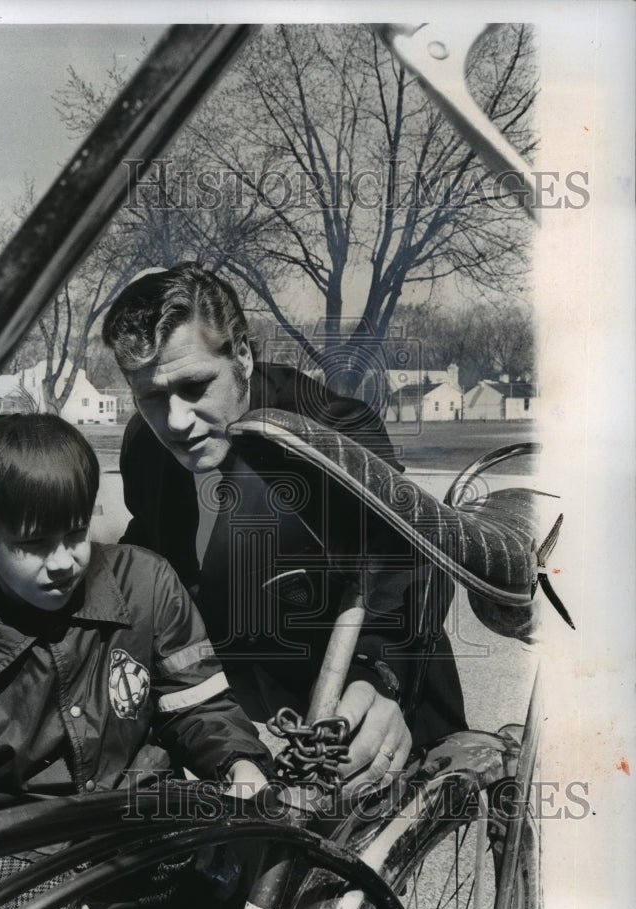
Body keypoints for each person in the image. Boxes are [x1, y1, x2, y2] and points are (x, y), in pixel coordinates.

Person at [0, 412, 273, 909]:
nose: (63, 561)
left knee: (254, 857)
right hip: (23, 850)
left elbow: (200, 703)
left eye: (74, 532)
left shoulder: (148, 585)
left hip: (145, 816)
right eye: (34, 544)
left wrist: (237, 759)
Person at [102, 263, 467, 786]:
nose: (176, 421)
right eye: (152, 397)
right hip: (250, 731)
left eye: (195, 386)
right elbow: (157, 557)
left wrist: (381, 679)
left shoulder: (335, 428)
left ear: (242, 355)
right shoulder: (144, 443)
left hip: (375, 713)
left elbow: (411, 561)